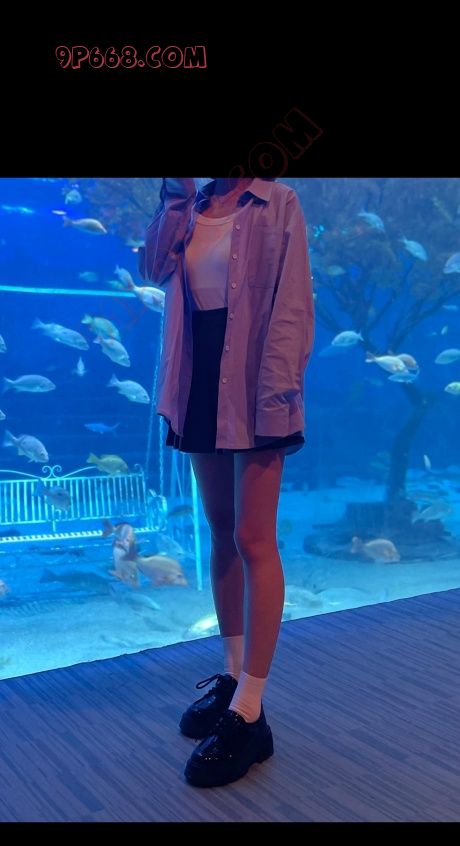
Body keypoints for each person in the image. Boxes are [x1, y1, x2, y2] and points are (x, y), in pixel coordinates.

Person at [139, 177, 315, 787]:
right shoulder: (191, 205)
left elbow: (293, 306)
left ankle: (251, 711)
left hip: (257, 376)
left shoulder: (278, 202)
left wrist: (279, 394)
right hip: (197, 374)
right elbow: (152, 266)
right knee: (219, 532)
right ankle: (233, 679)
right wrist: (174, 195)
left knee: (252, 537)